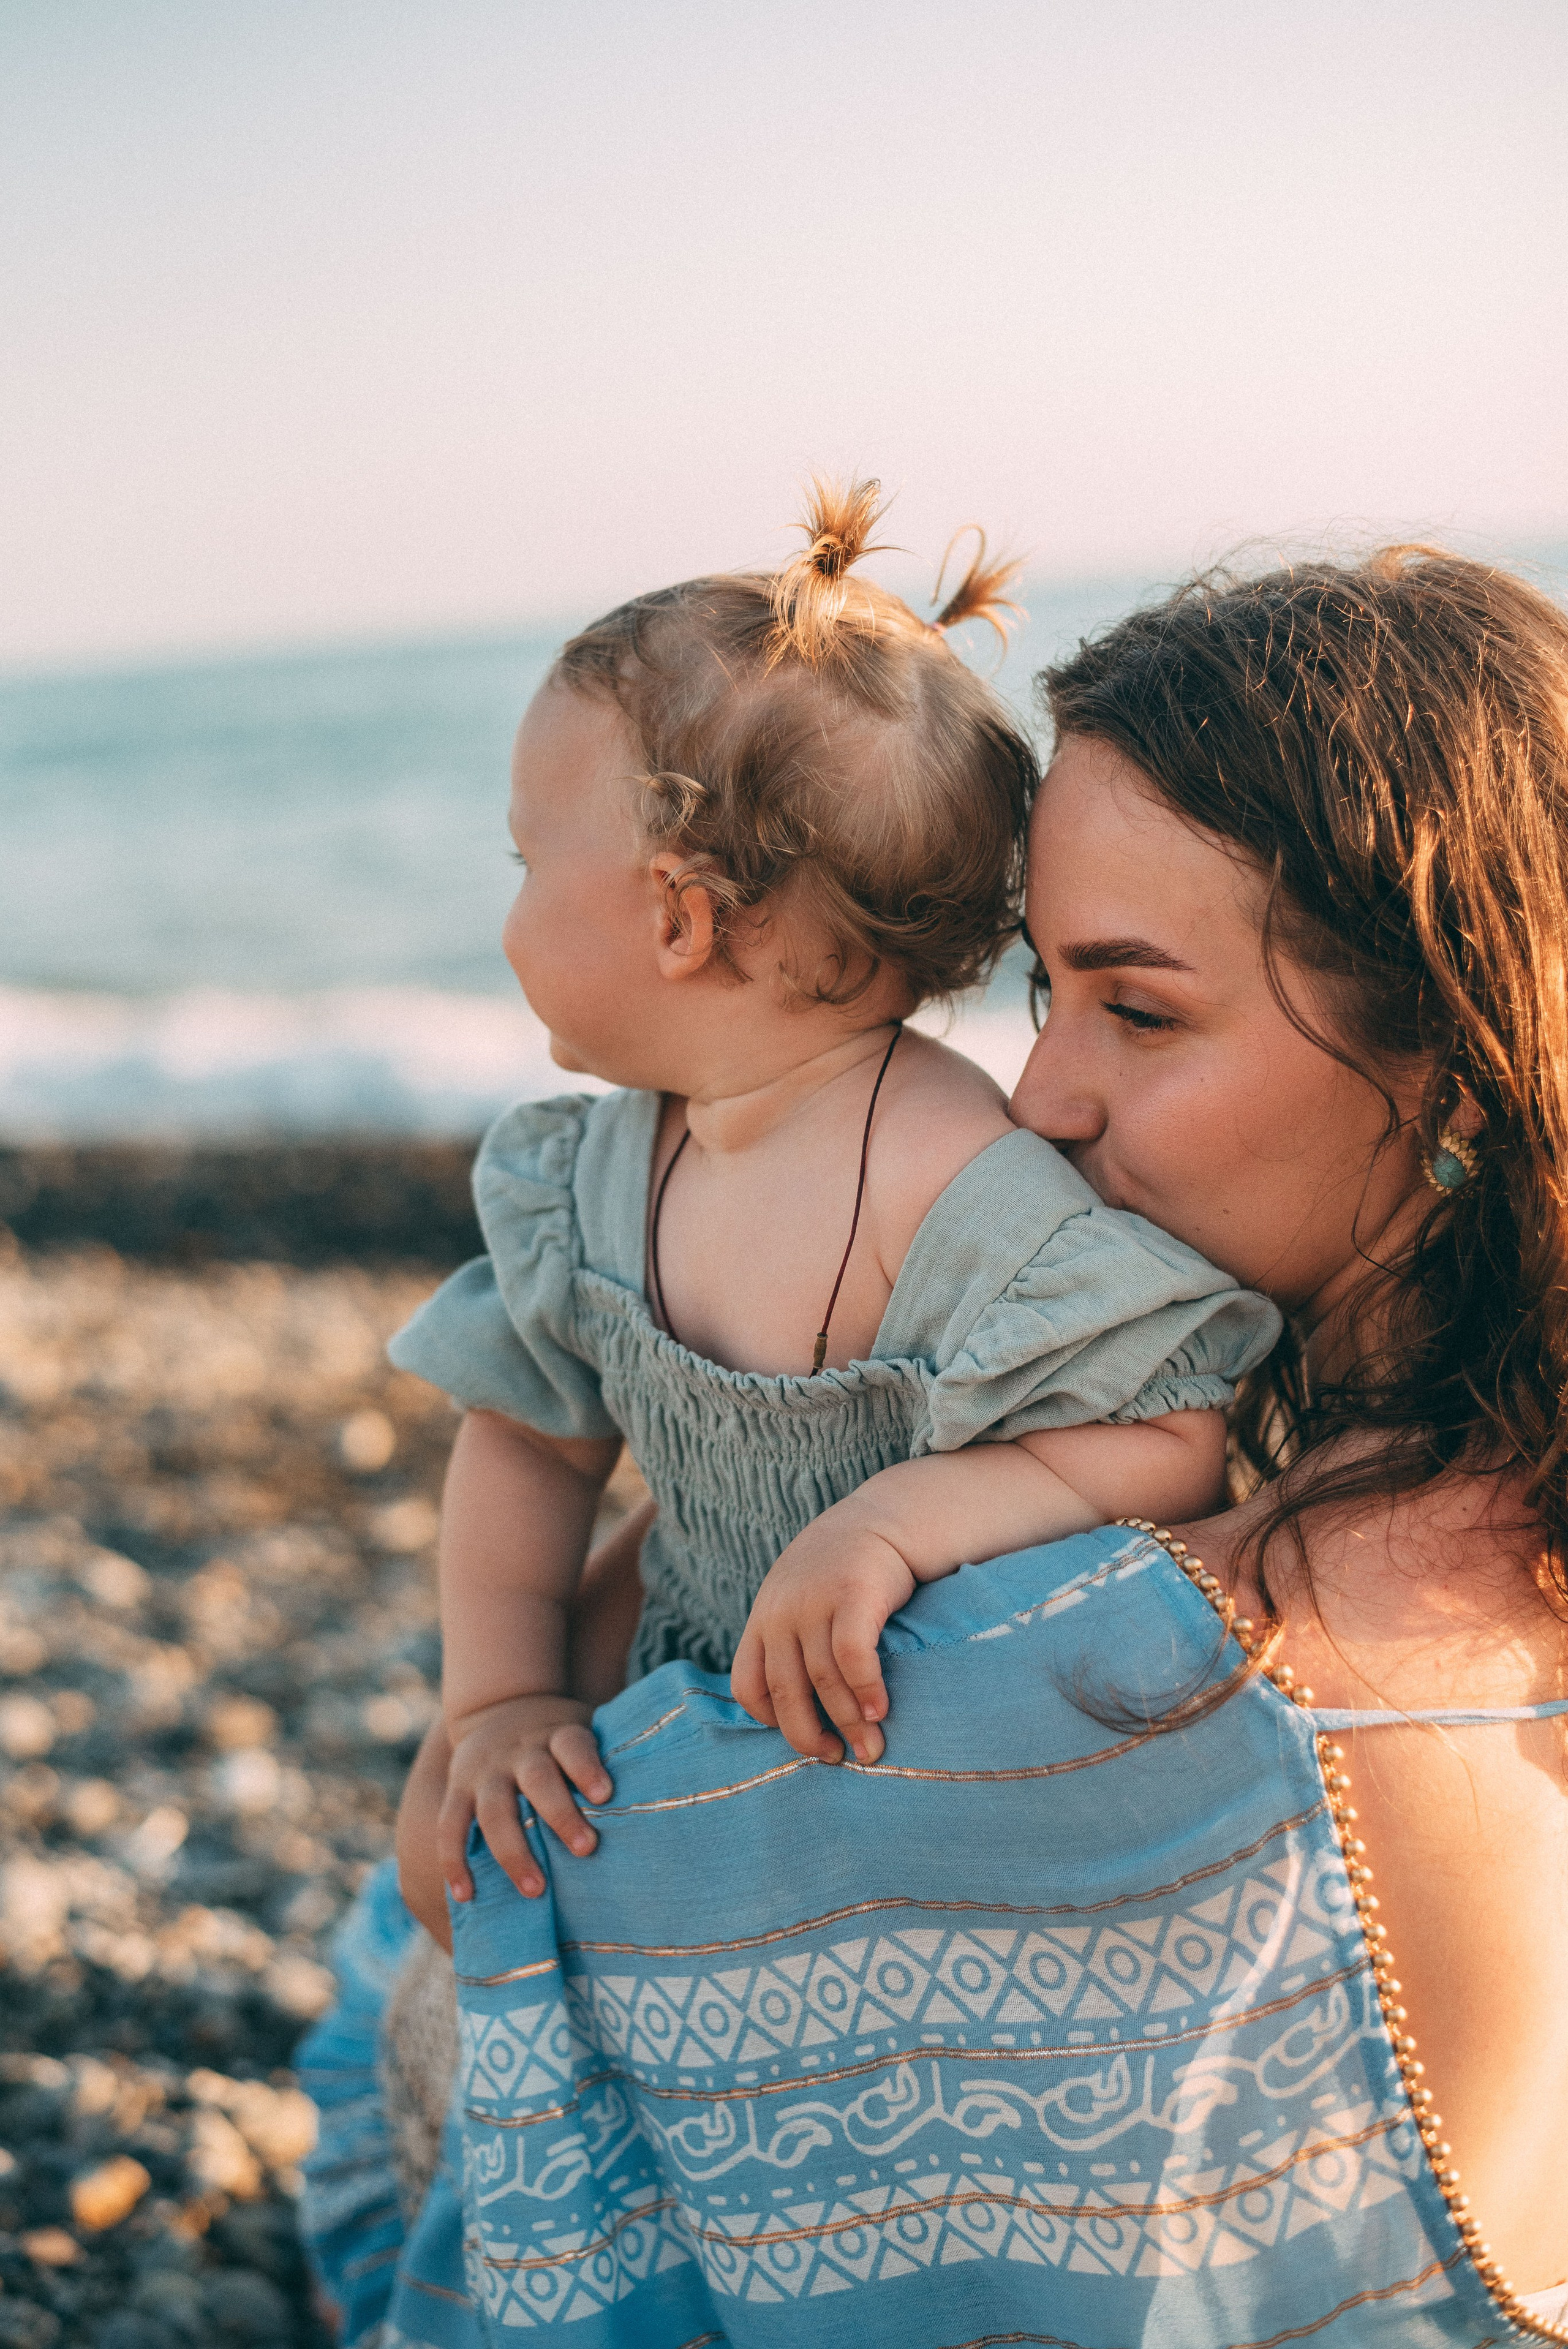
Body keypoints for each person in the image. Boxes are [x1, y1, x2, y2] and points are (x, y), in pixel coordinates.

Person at [301, 545, 1568, 2344]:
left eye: (1138, 1006)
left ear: (1458, 1051)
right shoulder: (1482, 1548)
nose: (1040, 1098)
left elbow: (488, 1921)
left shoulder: (1097, 1665)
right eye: (1040, 993)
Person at [386, 478, 1277, 1932]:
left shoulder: (948, 1181)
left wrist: (893, 1523)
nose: (510, 911)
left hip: (899, 1715)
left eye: (526, 860)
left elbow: (1163, 1433)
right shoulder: (596, 1173)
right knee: (473, 1875)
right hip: (686, 1660)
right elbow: (531, 1447)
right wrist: (498, 1693)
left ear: (676, 917)